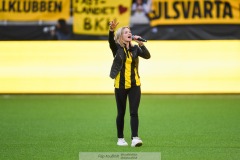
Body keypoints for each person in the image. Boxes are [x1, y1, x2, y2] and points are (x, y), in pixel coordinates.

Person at [108, 19, 151, 147]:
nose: (129, 33)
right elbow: (111, 41)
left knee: (134, 112)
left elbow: (147, 56)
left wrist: (141, 44)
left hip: (134, 84)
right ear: (121, 36)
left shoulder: (135, 48)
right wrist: (111, 30)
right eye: (126, 32)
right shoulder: (117, 48)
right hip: (120, 85)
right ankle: (120, 138)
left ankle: (135, 138)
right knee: (121, 112)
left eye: (130, 32)